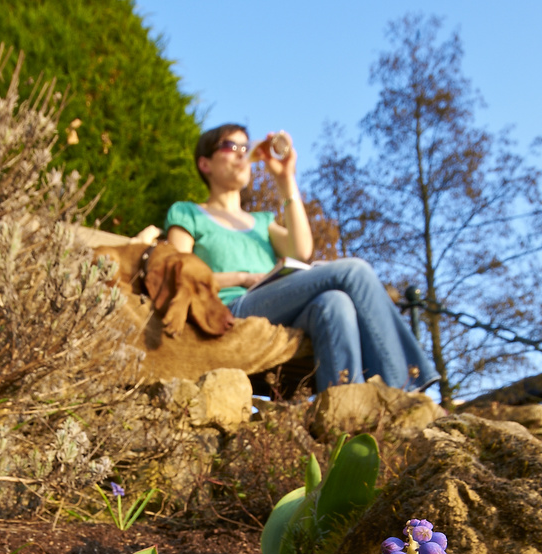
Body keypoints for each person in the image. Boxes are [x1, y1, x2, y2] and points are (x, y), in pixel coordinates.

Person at [164, 123, 433, 393]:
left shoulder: (261, 223)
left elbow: (302, 251)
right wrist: (243, 278)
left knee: (334, 302)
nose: (241, 154)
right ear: (205, 163)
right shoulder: (189, 213)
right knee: (353, 271)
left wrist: (285, 180)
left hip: (273, 308)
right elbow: (178, 274)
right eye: (230, 146)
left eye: (245, 147)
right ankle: (407, 391)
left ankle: (349, 414)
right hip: (227, 309)